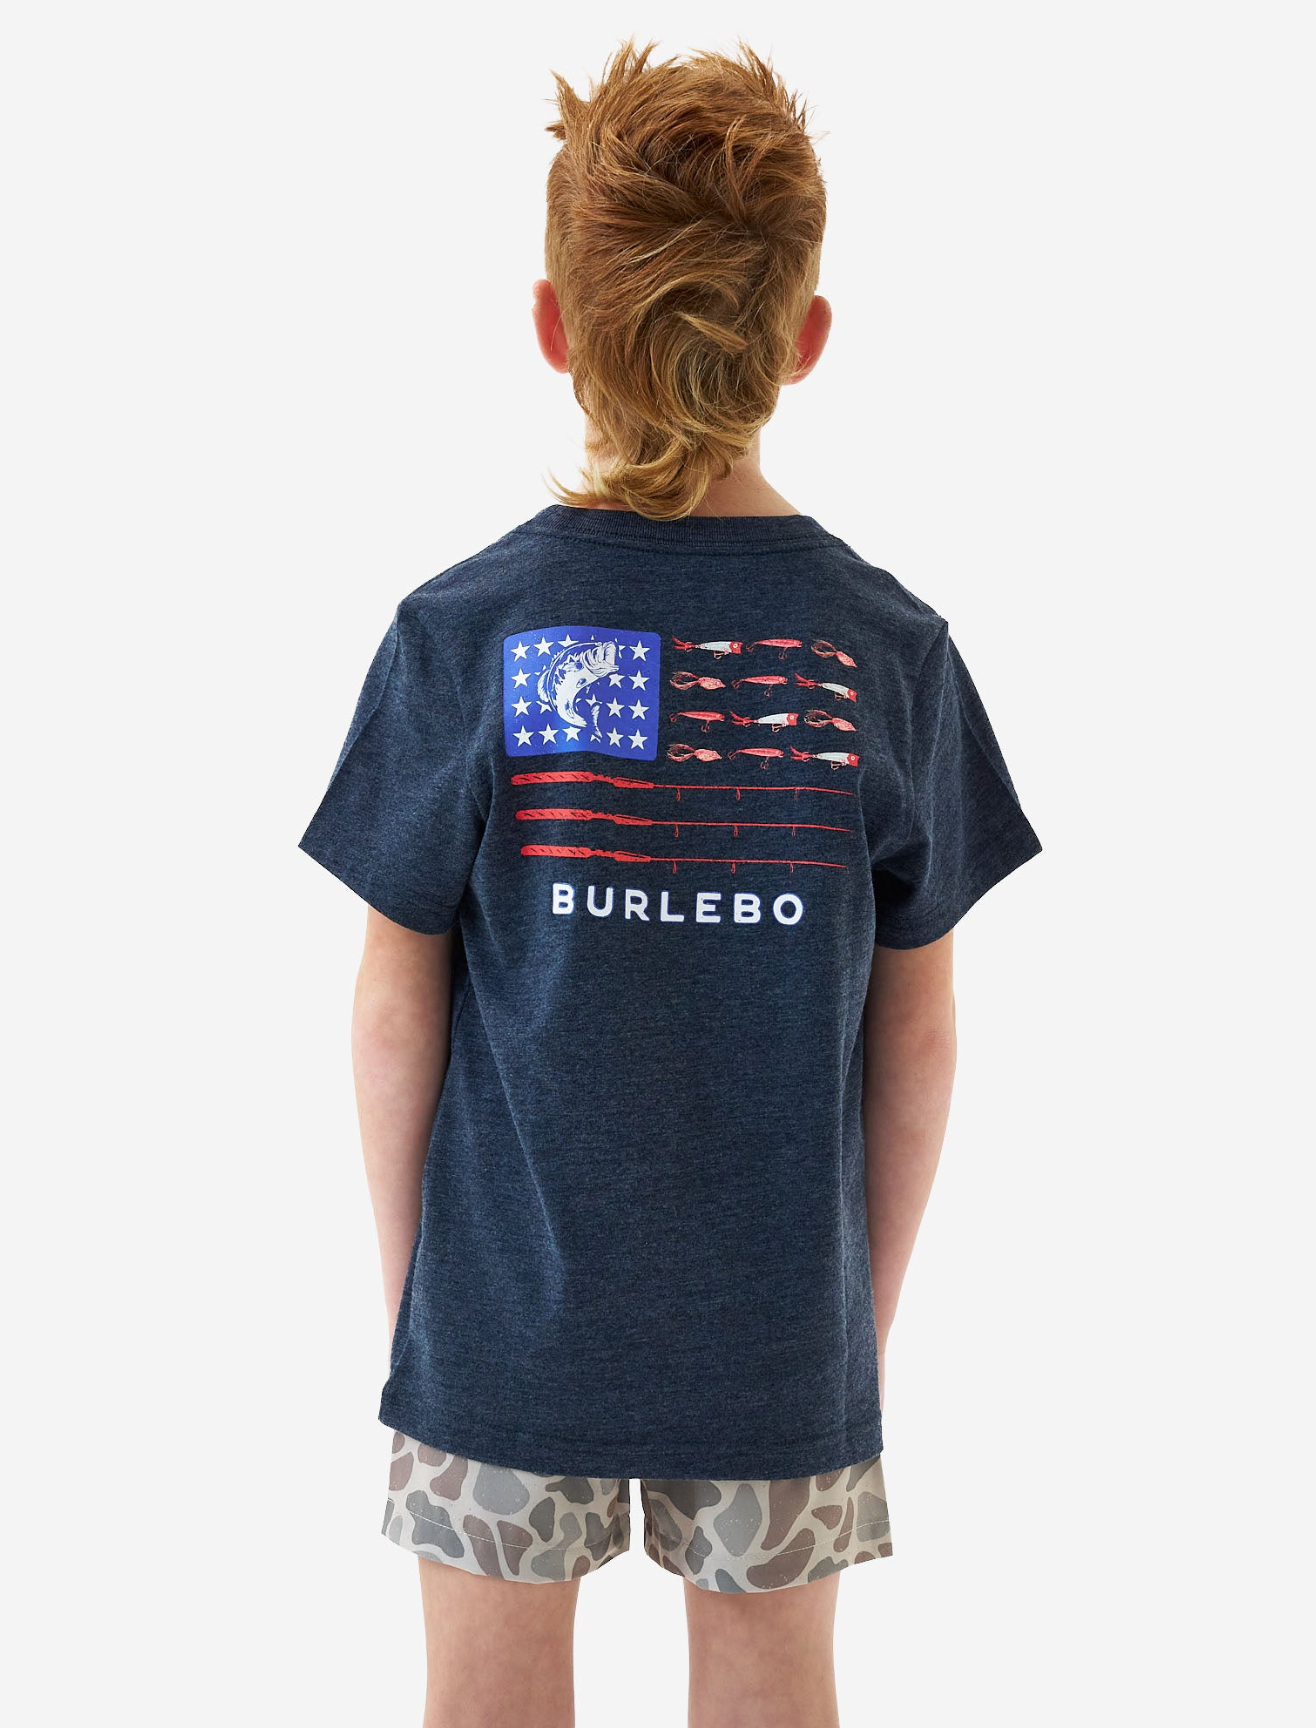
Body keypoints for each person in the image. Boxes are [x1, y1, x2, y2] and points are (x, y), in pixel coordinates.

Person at [300, 38, 1041, 1728]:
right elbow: (921, 1040)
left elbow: (394, 1009)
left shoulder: (465, 634)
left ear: (553, 326)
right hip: (779, 1334)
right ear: (807, 338)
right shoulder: (889, 654)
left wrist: (429, 1310)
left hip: (504, 1319)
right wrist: (847, 1327)